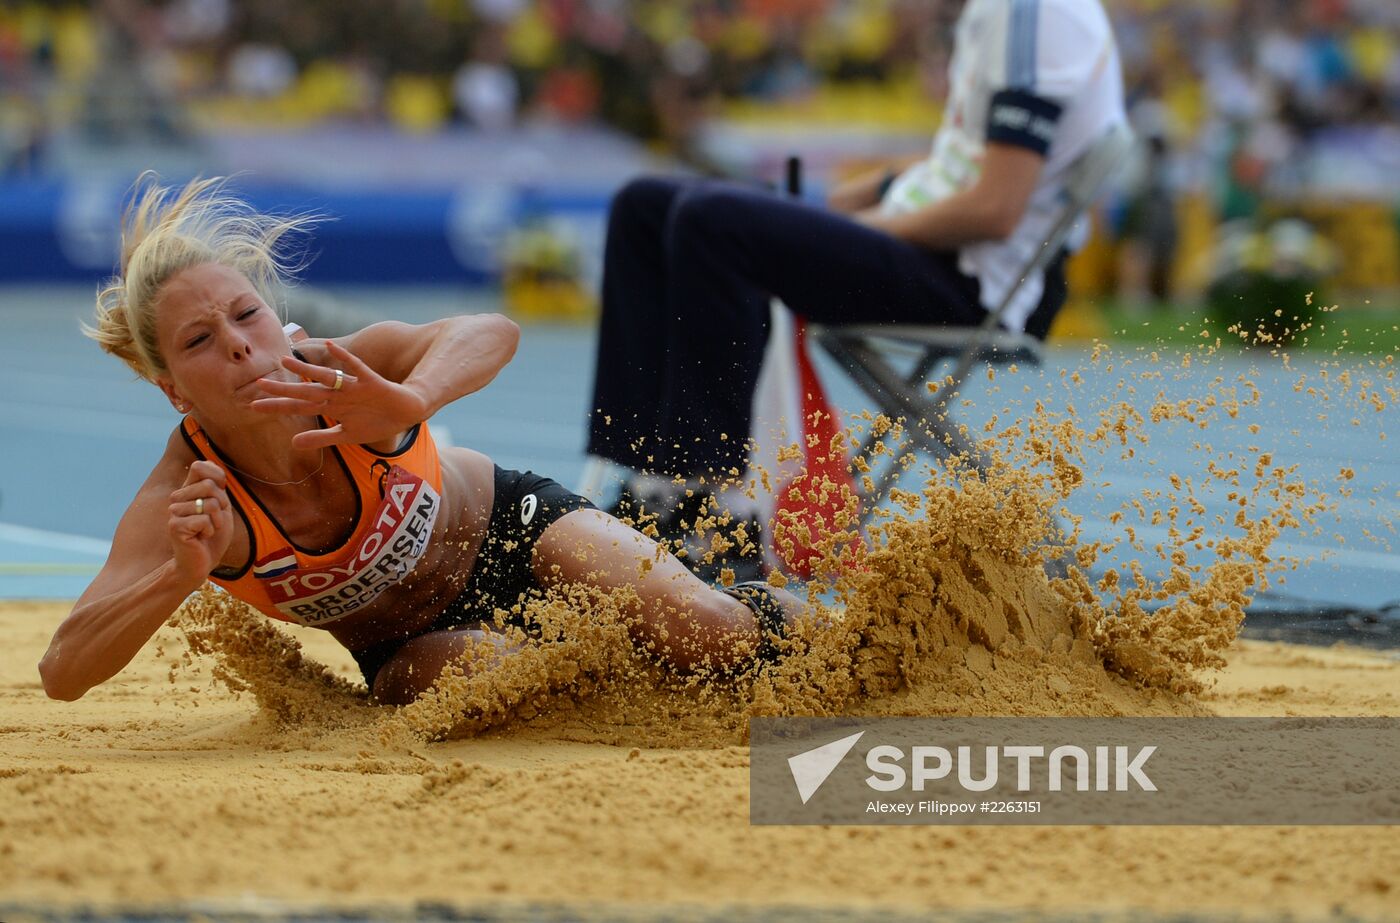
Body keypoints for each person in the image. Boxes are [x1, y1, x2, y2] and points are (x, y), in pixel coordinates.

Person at [38, 176, 796, 706]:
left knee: (710, 636)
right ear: (173, 387)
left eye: (246, 315)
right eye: (200, 338)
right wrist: (178, 574)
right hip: (404, 645)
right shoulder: (191, 494)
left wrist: (410, 398)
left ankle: (821, 634)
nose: (238, 344)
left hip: (514, 531)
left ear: (276, 318)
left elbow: (489, 331)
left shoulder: (339, 371)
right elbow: (64, 670)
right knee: (519, 678)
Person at [585, 0, 1126, 577]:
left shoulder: (1035, 16)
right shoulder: (1000, 13)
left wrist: (869, 227)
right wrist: (885, 187)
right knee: (643, 206)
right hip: (942, 252)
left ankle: (720, 514)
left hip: (976, 283)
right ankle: (654, 484)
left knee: (712, 220)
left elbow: (996, 208)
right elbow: (972, 157)